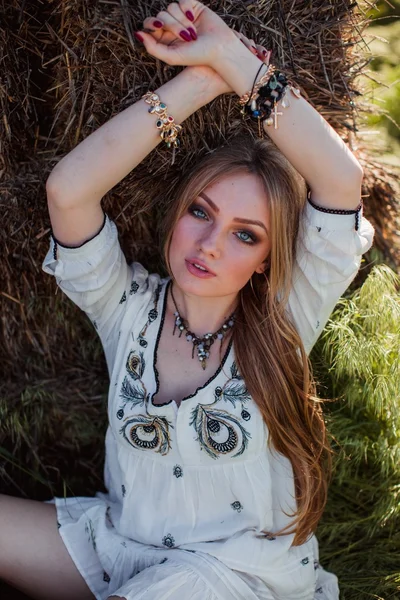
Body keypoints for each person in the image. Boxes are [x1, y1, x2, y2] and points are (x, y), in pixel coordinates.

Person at [0, 2, 375, 600]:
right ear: (176, 216)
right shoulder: (124, 308)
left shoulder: (284, 318)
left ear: (265, 260)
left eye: (245, 234)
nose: (209, 244)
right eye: (200, 212)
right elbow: (68, 191)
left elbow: (338, 182)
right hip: (121, 546)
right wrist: (199, 82)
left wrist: (233, 57)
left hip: (234, 578)